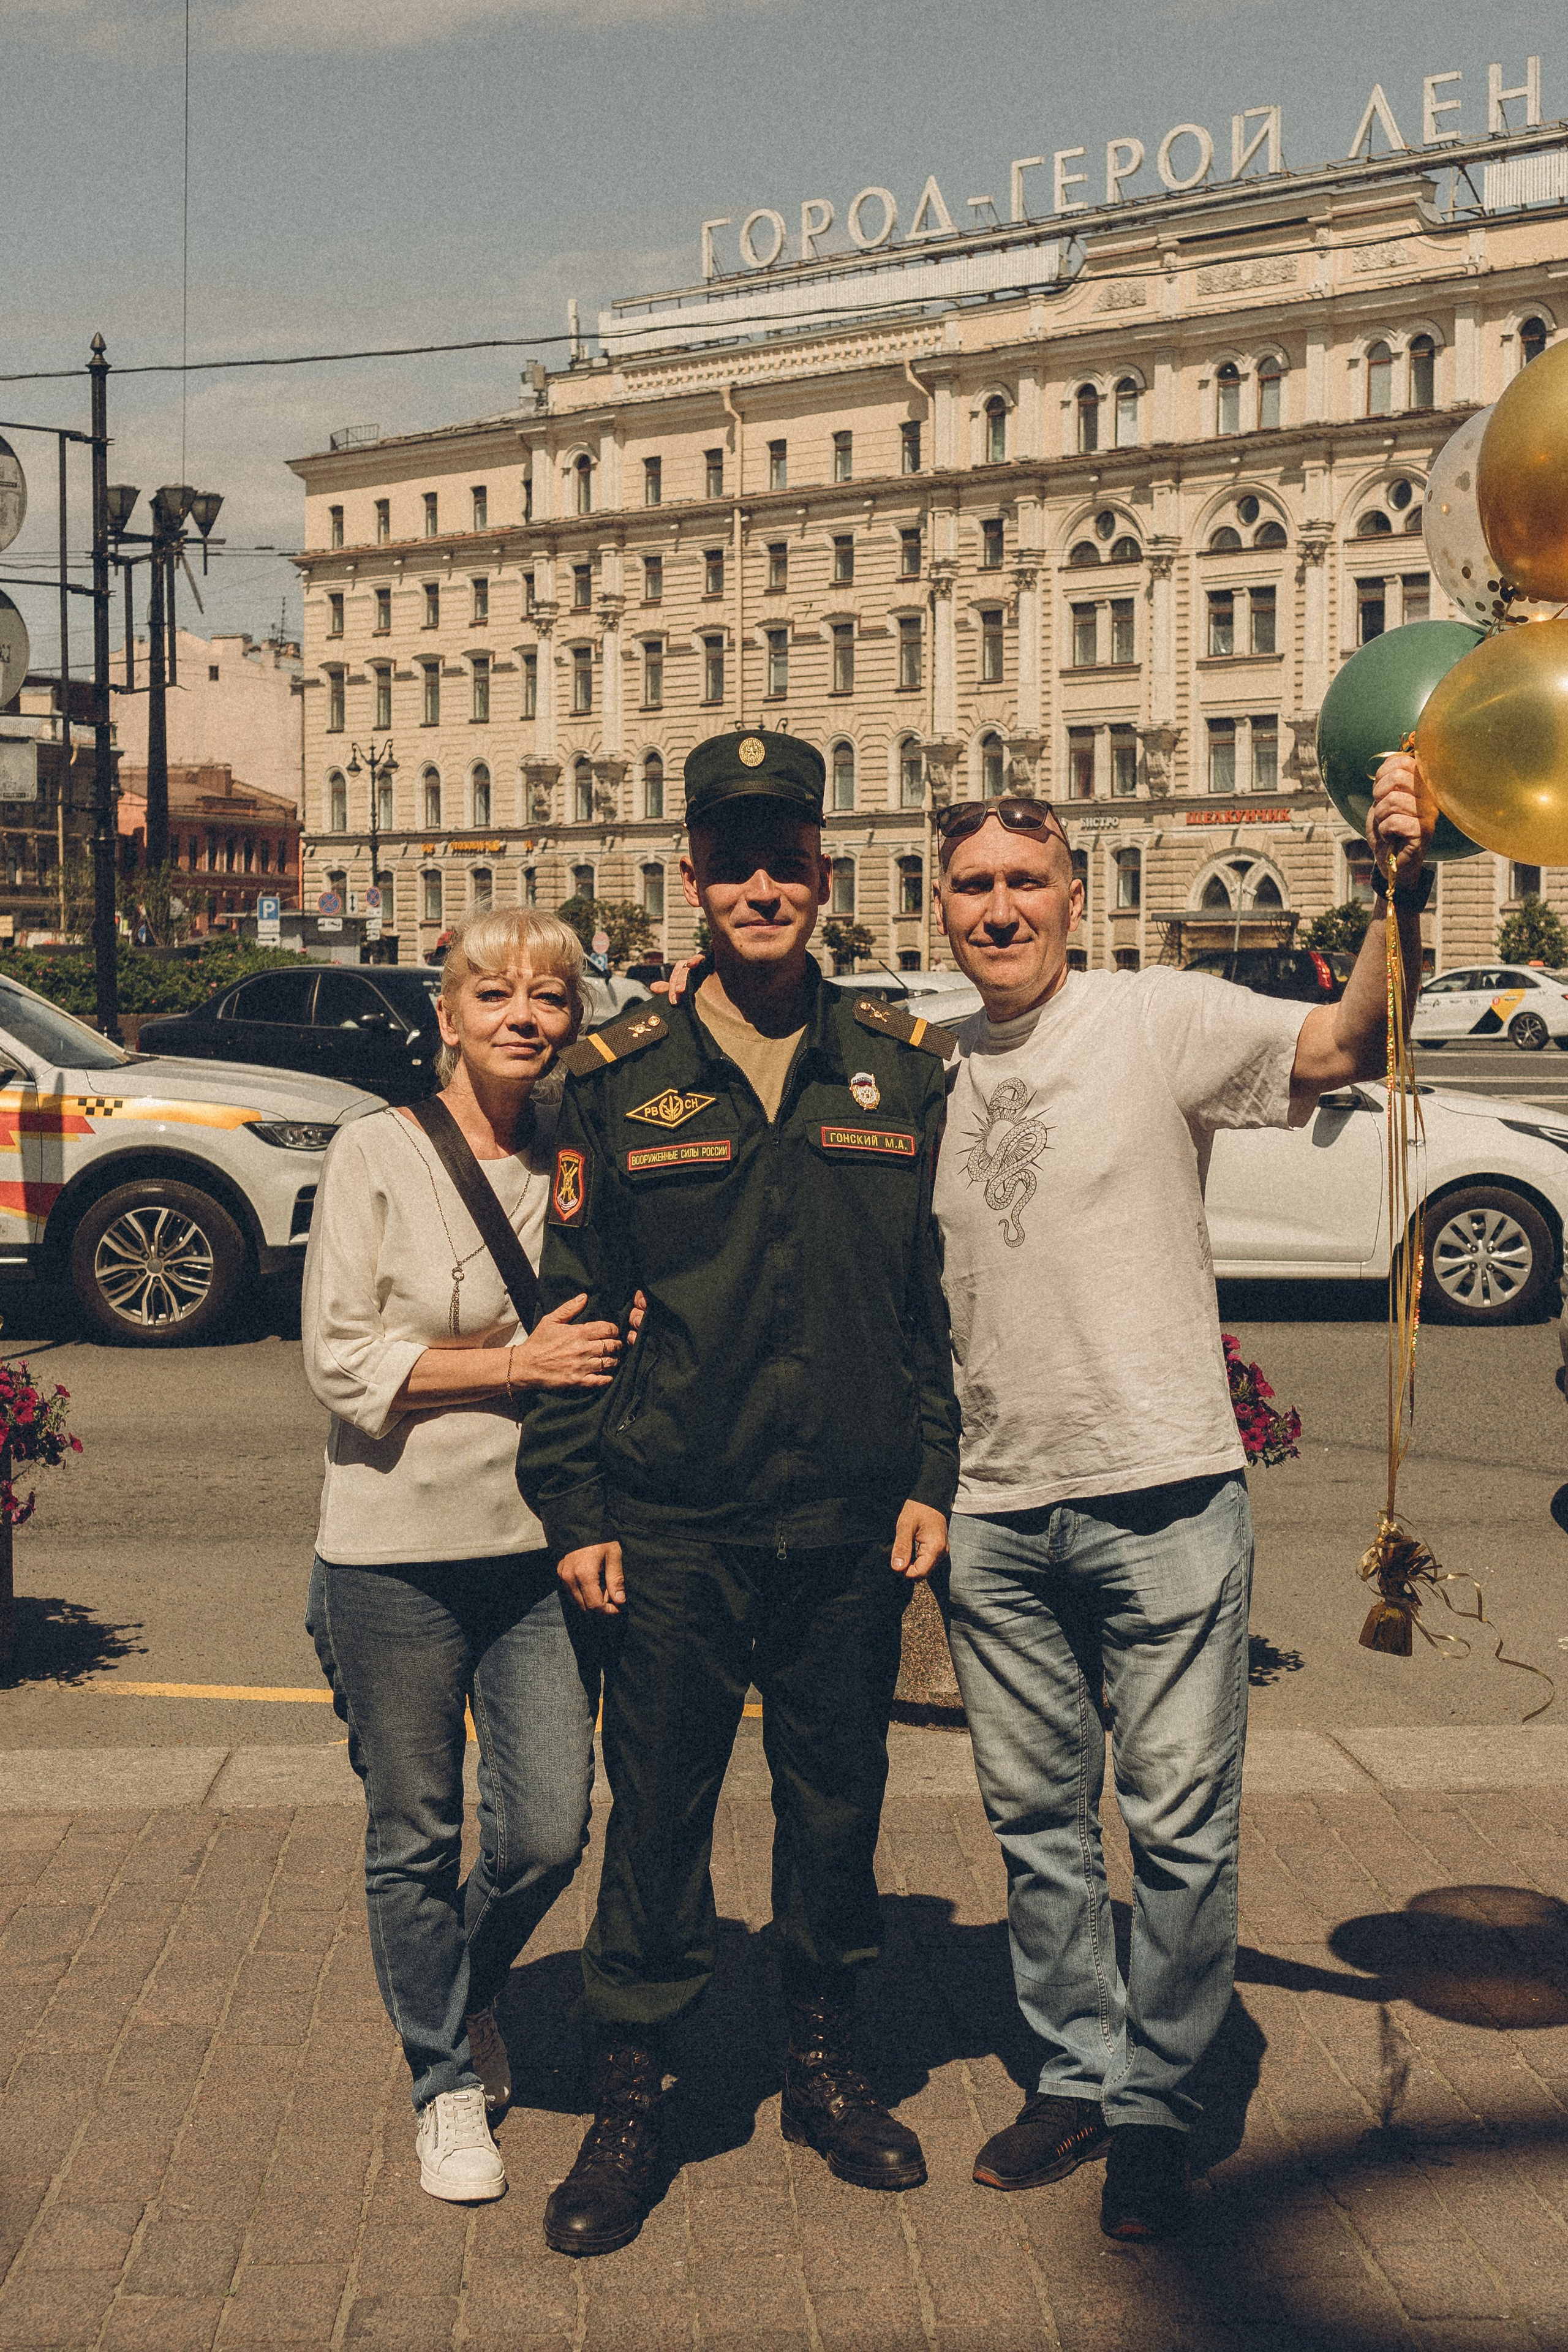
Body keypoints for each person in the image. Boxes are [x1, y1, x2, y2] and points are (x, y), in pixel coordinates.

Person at [929, 752, 1431, 2241]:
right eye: (972, 885)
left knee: (1179, 1824)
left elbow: (1348, 1043)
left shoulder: (1155, 1017)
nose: (1000, 907)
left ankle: (1158, 2098)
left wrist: (1392, 880)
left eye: (1027, 881)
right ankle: (1076, 2073)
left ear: (1074, 898)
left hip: (1158, 1486)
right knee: (1032, 1820)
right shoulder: (931, 1060)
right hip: (994, 1506)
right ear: (940, 905)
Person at [517, 728, 961, 2256]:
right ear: (688, 879)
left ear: (823, 875)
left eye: (787, 858)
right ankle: (634, 2089)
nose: (760, 885)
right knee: (659, 1815)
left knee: (836, 1807)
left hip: (846, 1521)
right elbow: (575, 1318)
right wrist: (574, 1514)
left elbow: (928, 1302)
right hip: (673, 1522)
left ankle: (823, 2064)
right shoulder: (618, 1080)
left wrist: (930, 1474)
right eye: (733, 860)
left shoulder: (900, 1066)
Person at [303, 907, 633, 2204]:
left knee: (549, 1827)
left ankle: (463, 1985)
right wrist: (517, 1363)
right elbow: (339, 1362)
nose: (522, 1015)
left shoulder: (578, 1158)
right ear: (445, 1016)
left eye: (547, 996)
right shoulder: (374, 1154)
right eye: (492, 993)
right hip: (392, 1545)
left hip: (538, 1541)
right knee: (413, 1829)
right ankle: (443, 2078)